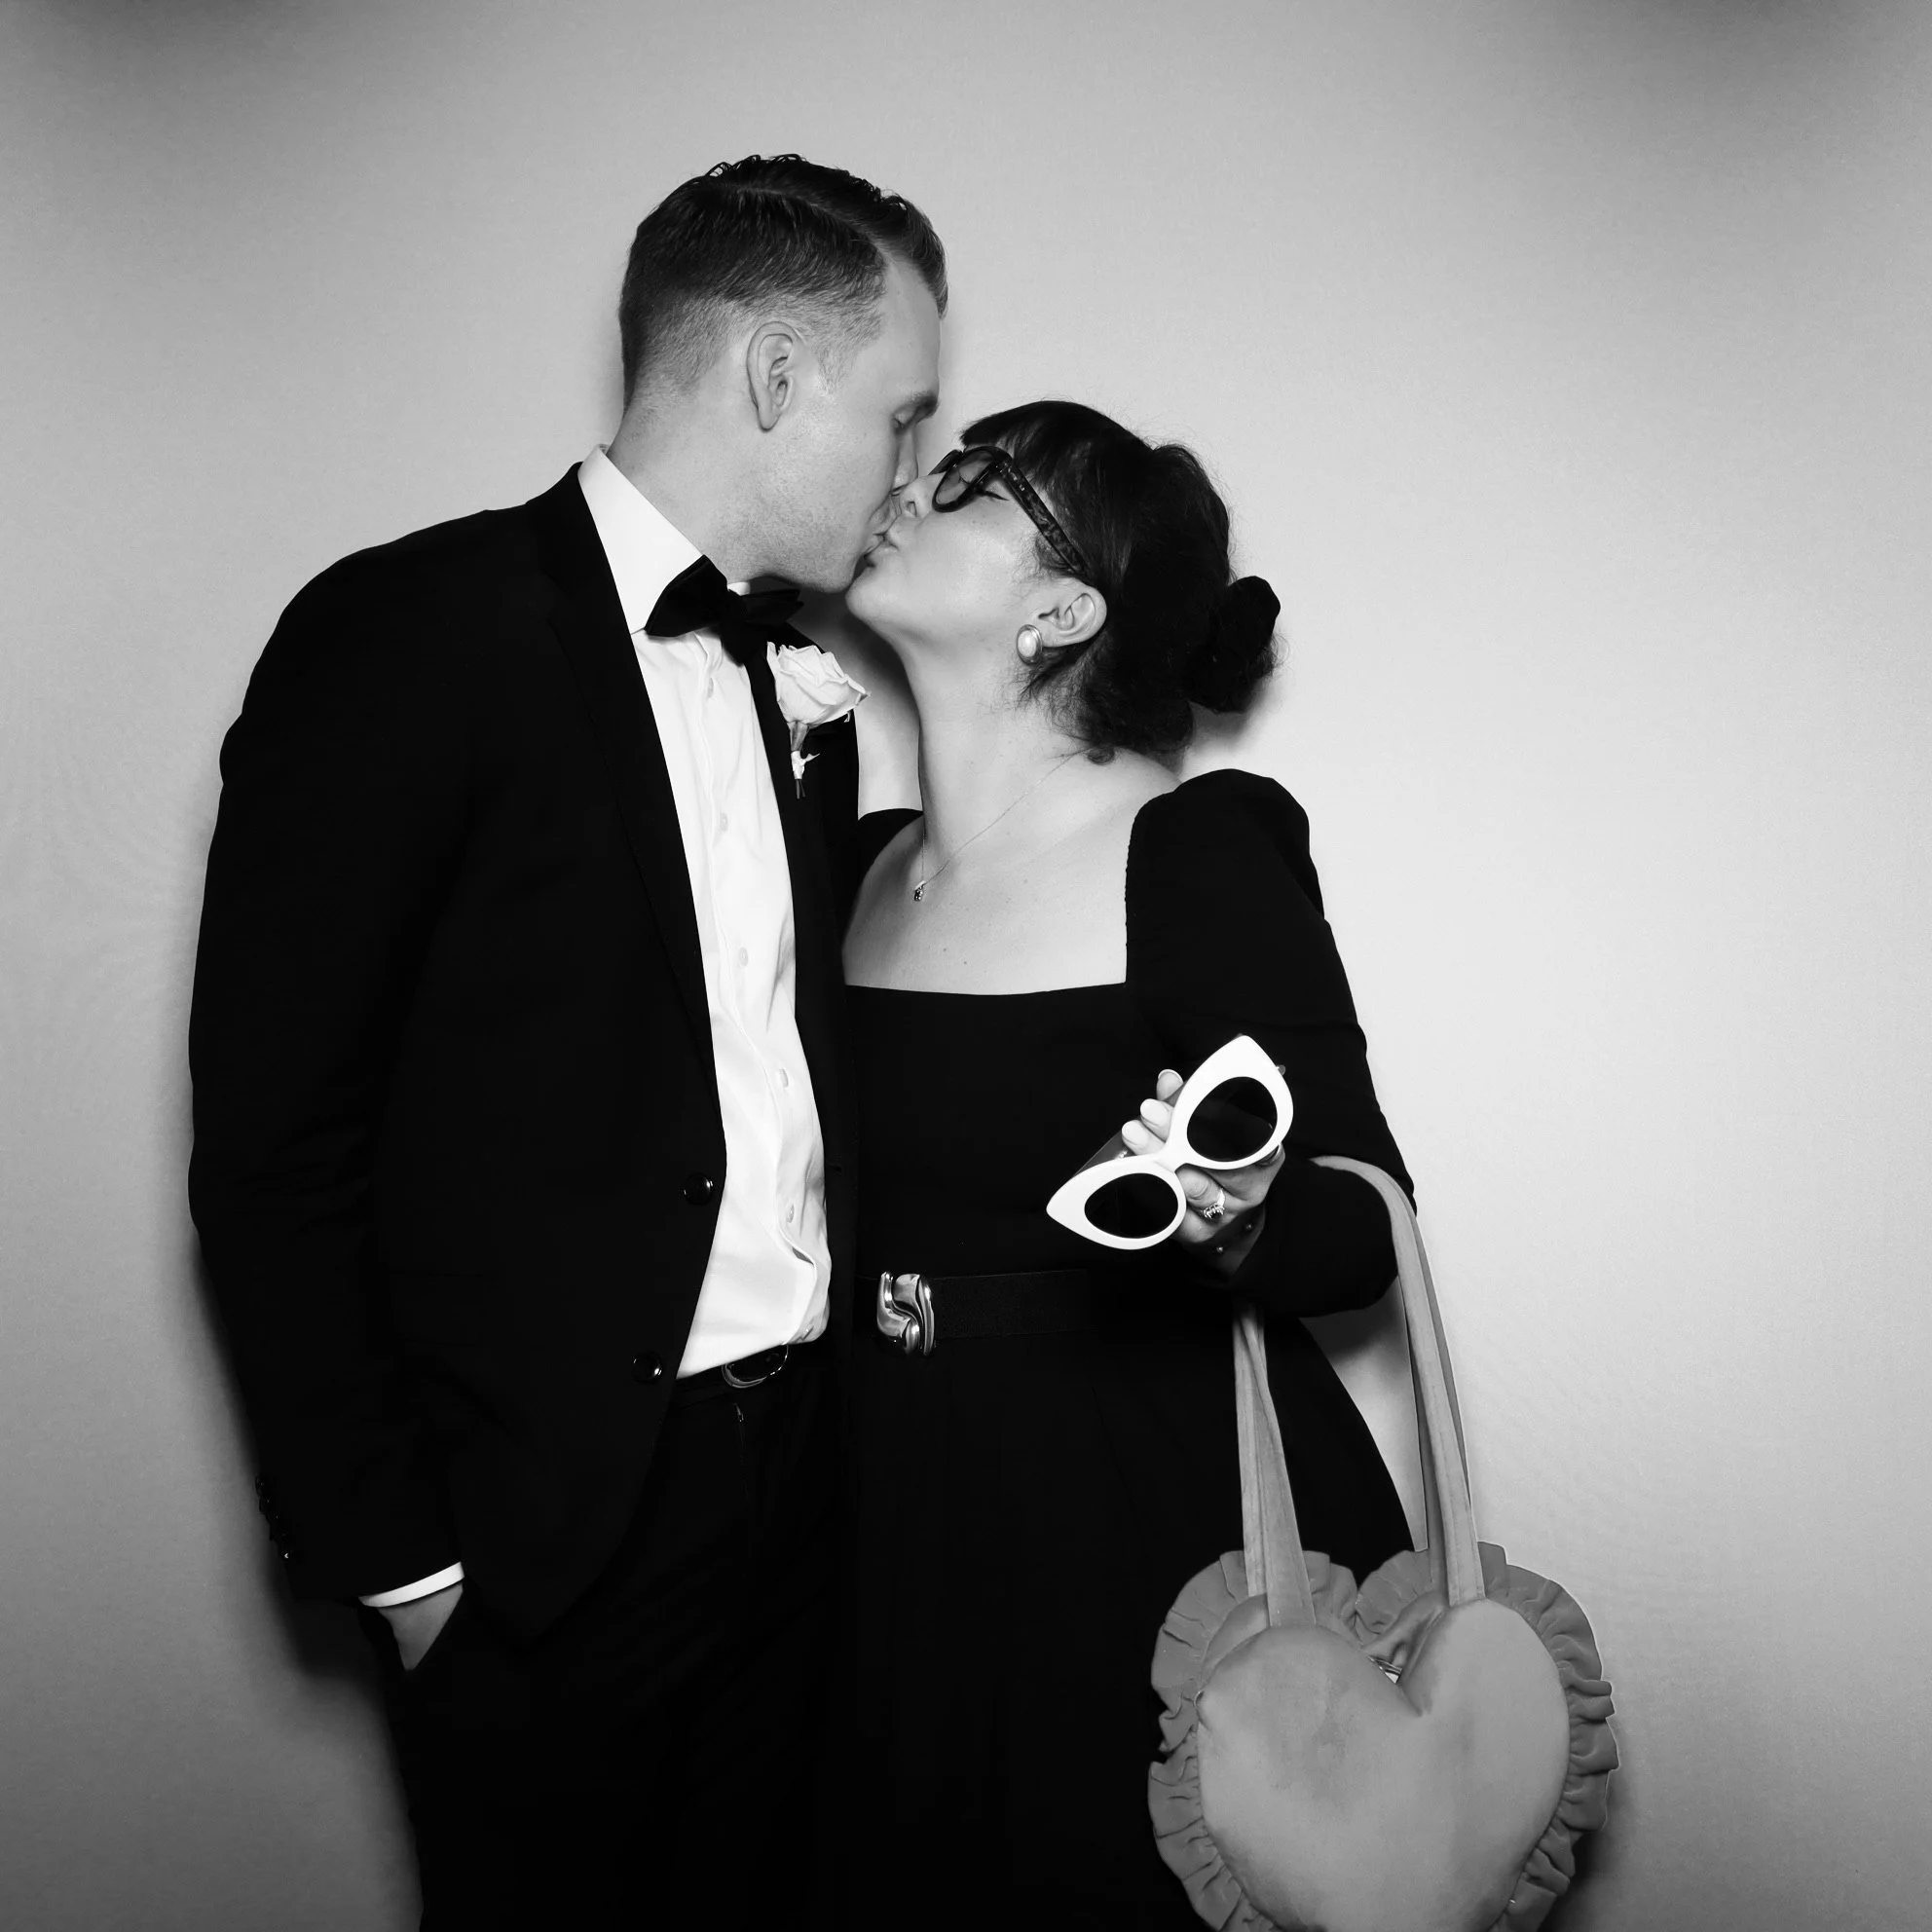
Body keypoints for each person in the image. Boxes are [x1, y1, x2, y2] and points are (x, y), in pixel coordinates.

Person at [187, 155, 943, 1926]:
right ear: (773, 375)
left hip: (798, 1503)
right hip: (545, 1541)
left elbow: (761, 1072)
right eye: (901, 417)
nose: (910, 472)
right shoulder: (405, 633)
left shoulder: (802, 685)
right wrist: (409, 1568)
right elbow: (275, 1148)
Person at [838, 401, 1415, 1927]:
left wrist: (1228, 1213)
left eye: (969, 485)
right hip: (885, 1524)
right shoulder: (845, 856)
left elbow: (1366, 1223)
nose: (913, 486)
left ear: (1060, 609)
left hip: (1137, 1538)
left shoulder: (1199, 847)